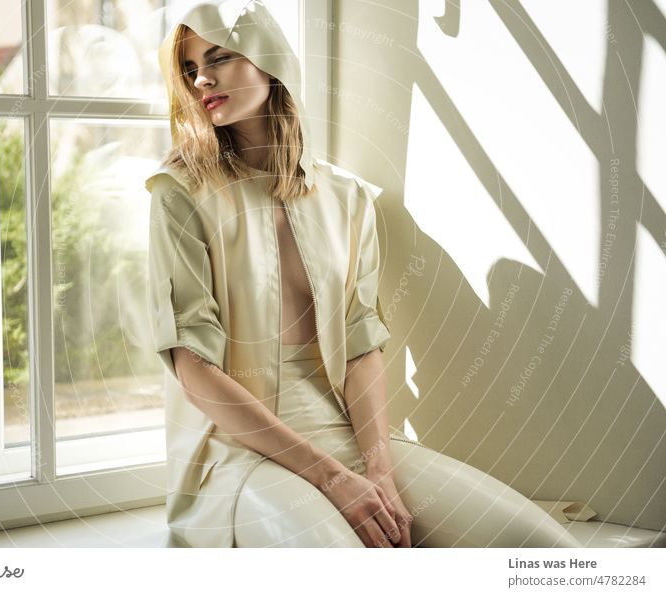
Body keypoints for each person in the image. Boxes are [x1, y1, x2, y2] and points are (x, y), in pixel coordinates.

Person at [146, 0, 583, 549]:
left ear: (270, 59)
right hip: (235, 451)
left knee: (542, 548)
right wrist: (331, 477)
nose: (201, 78)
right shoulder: (178, 194)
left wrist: (377, 470)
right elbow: (194, 367)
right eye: (189, 70)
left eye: (220, 58)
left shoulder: (348, 198)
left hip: (347, 435)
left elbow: (360, 346)